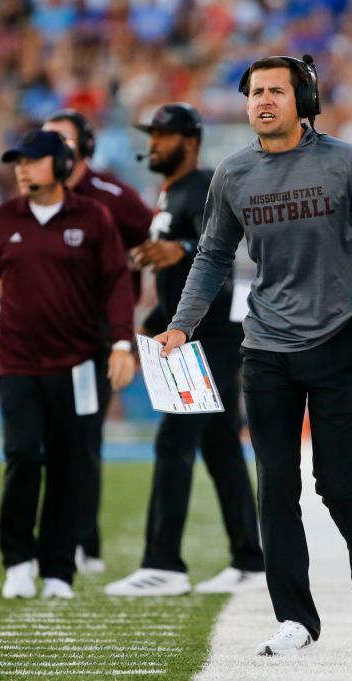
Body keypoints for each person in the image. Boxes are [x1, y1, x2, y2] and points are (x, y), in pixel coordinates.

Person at [155, 55, 352, 656]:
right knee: (274, 485)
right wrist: (180, 327)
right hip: (266, 347)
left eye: (276, 90)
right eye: (255, 92)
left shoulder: (345, 162)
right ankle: (296, 619)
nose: (263, 101)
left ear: (304, 99)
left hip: (340, 341)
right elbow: (211, 256)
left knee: (336, 481)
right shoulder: (233, 174)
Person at [0, 129, 136, 599]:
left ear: (59, 163)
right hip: (17, 365)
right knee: (22, 456)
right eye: (18, 162)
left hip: (78, 366)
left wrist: (120, 345)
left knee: (69, 467)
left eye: (32, 161)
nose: (22, 169)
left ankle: (57, 571)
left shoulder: (93, 218)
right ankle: (17, 560)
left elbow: (117, 283)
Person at [103, 102, 265, 597]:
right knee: (219, 447)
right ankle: (250, 560)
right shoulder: (171, 193)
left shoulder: (206, 186)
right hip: (193, 332)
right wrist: (151, 324)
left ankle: (164, 564)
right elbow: (178, 277)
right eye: (150, 133)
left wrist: (186, 250)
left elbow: (224, 249)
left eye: (162, 134)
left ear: (189, 140)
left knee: (174, 441)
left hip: (209, 335)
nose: (152, 142)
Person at [42, 108, 154, 575]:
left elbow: (160, 243)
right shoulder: (36, 196)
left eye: (62, 140)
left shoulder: (114, 196)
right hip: (44, 334)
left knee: (83, 438)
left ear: (85, 146)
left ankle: (84, 543)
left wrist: (136, 304)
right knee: (45, 441)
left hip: (96, 335)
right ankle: (60, 539)